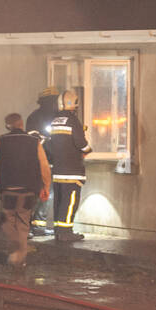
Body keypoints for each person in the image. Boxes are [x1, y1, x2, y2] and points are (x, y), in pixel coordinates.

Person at [0, 113, 51, 266]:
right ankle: (20, 257)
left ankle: (16, 253)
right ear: (21, 124)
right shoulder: (34, 141)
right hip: (29, 190)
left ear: (7, 126)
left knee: (6, 222)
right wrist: (46, 186)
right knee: (23, 223)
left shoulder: (1, 141)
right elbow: (44, 166)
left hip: (8, 189)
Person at [45, 90, 92, 242]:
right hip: (72, 171)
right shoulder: (72, 120)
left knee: (59, 201)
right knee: (70, 201)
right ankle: (66, 232)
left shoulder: (55, 120)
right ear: (74, 103)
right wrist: (88, 150)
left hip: (58, 170)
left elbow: (51, 144)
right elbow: (81, 142)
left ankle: (59, 231)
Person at [25, 87, 61, 236]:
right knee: (36, 194)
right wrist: (44, 139)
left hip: (51, 162)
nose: (56, 104)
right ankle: (28, 226)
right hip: (39, 162)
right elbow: (32, 139)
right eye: (54, 101)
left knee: (47, 194)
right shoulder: (35, 117)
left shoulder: (57, 116)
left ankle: (38, 226)